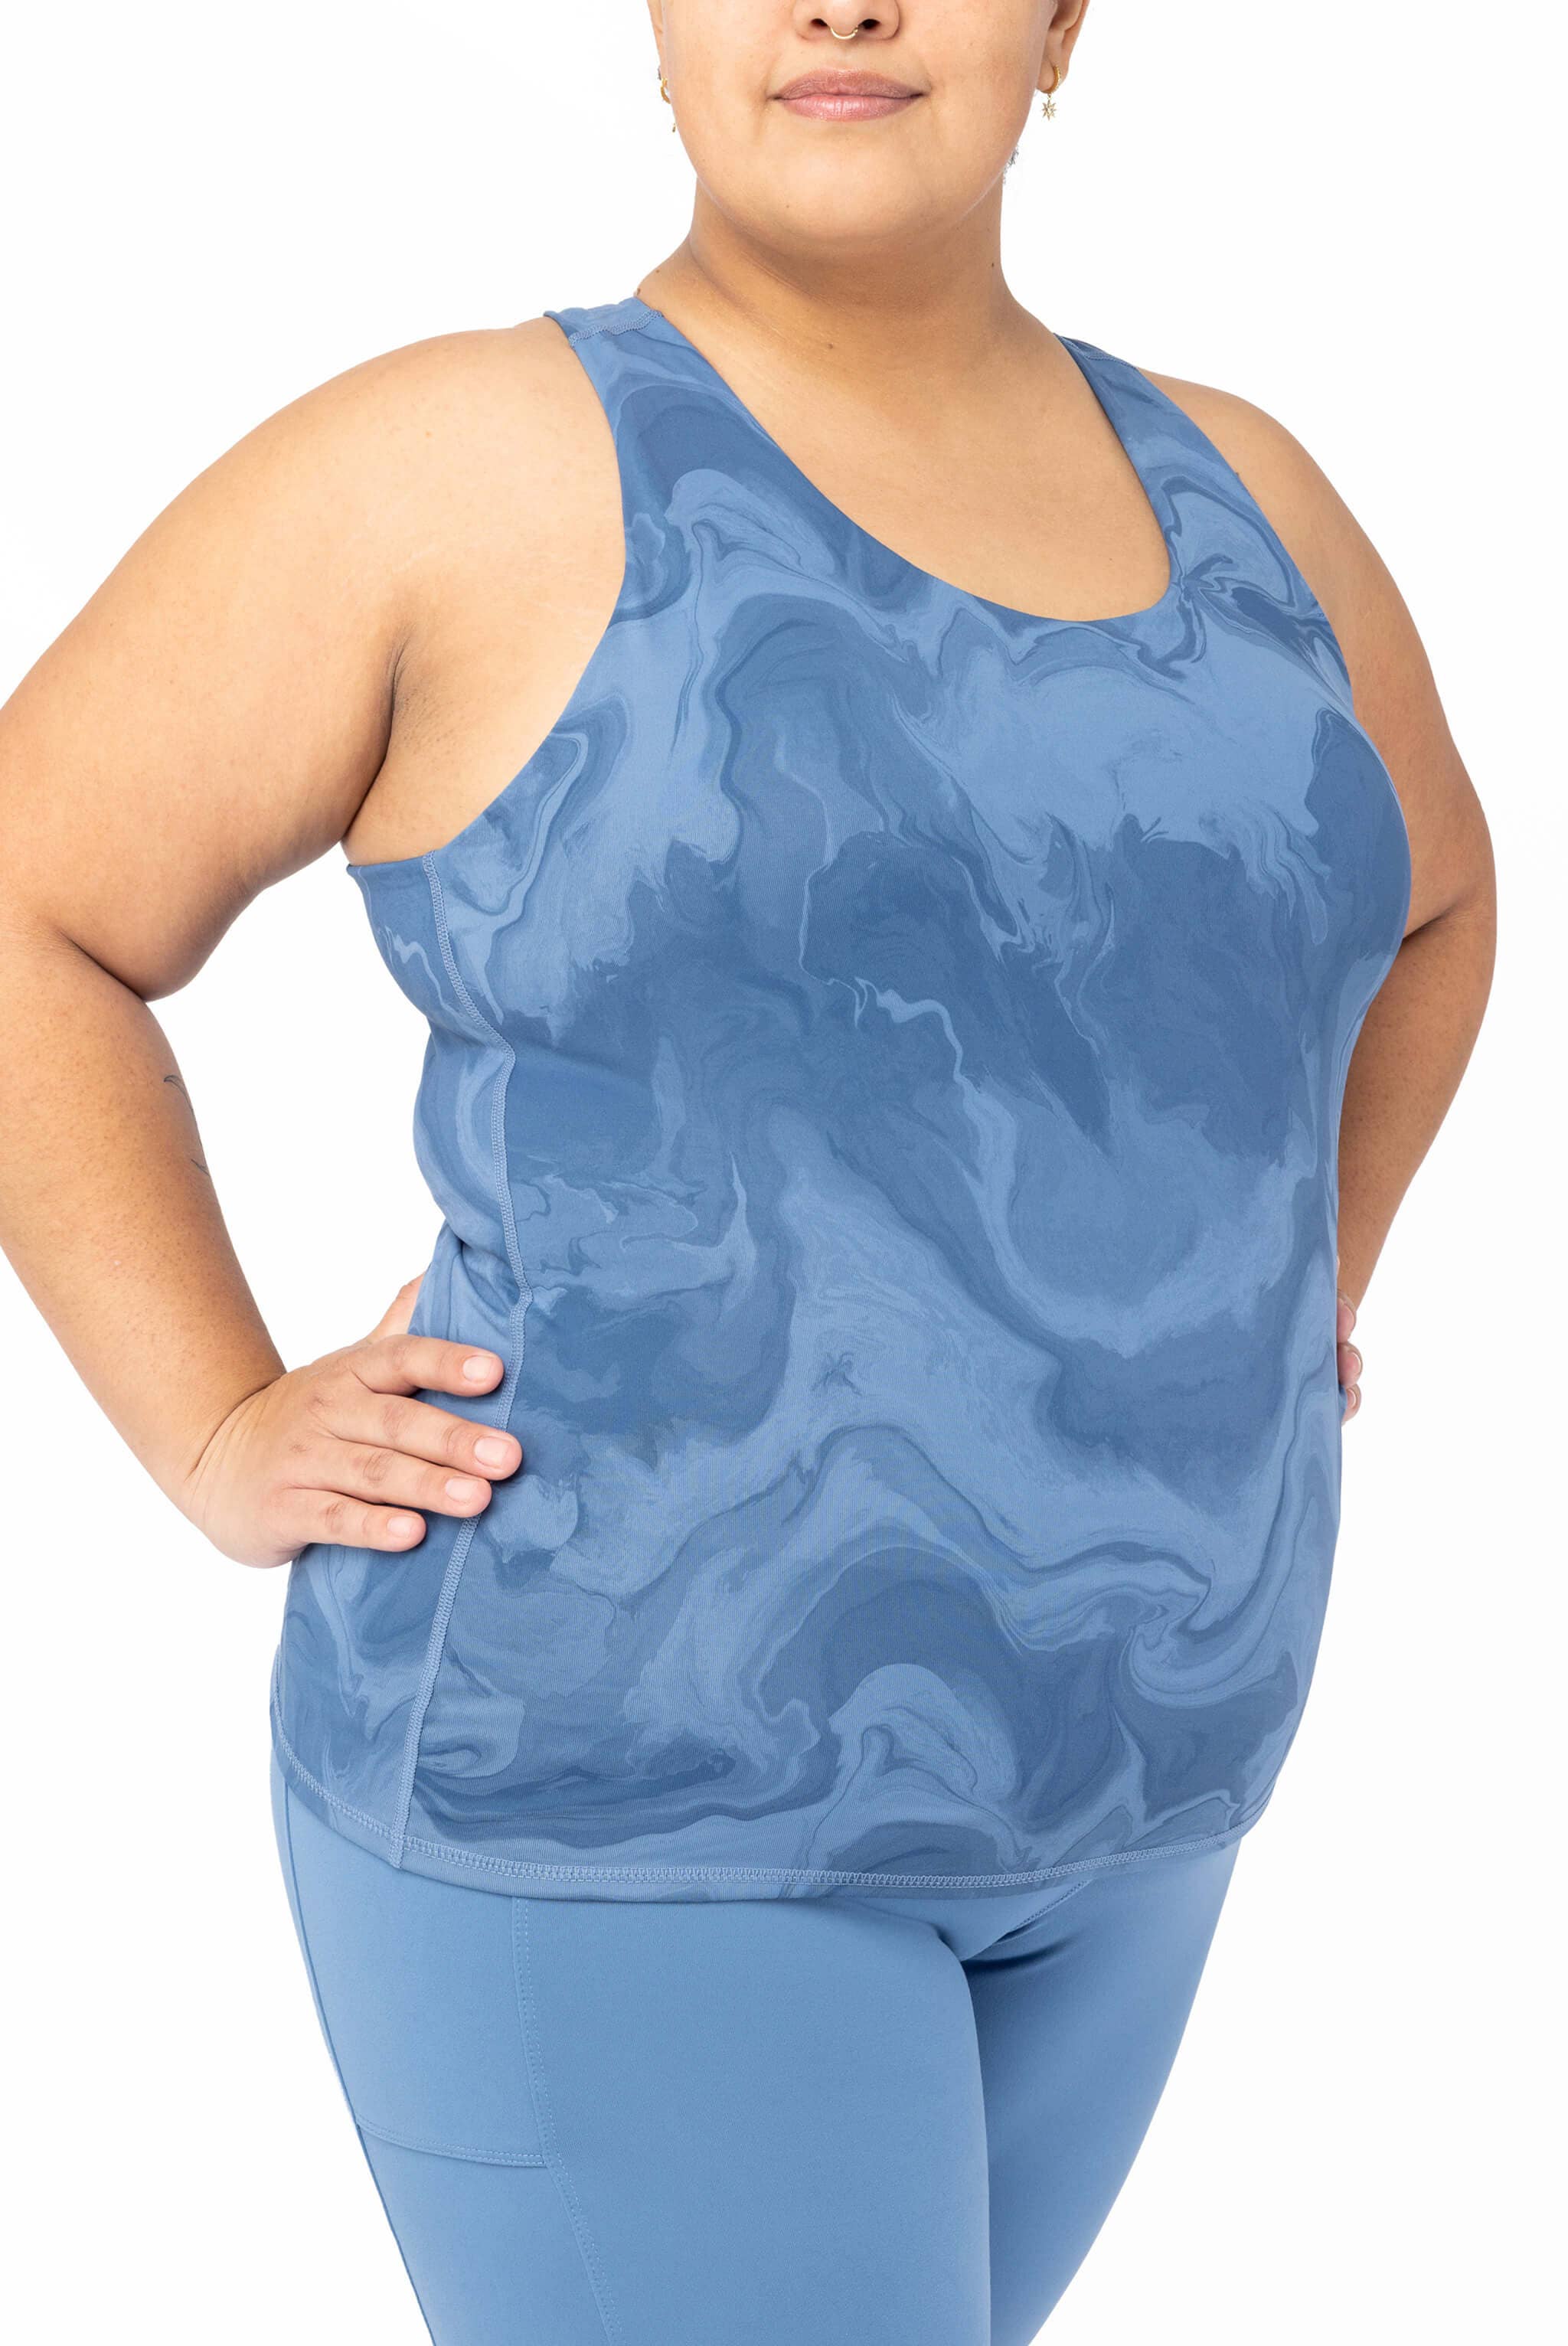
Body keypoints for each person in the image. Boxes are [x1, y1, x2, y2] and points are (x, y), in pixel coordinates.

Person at [0, 5, 1494, 2341]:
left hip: (1143, 1798)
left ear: (1065, 24)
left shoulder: (1255, 502)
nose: (843, 0)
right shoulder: (463, 465)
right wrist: (209, 1424)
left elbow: (1434, 903)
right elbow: (31, 901)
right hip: (623, 1799)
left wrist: (1292, 1292)